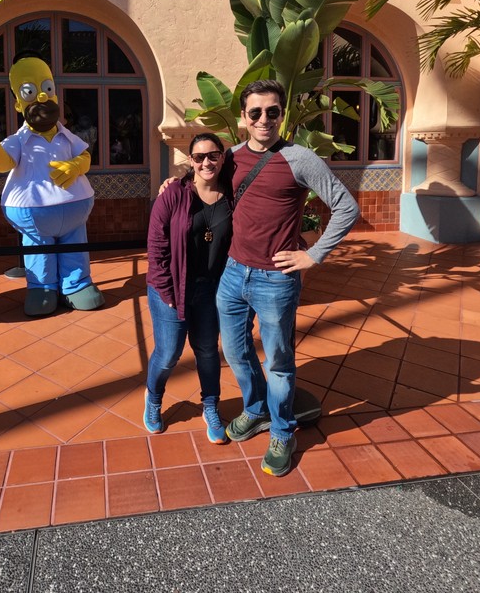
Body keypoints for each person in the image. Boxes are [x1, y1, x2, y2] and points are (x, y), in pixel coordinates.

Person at [218, 79, 359, 476]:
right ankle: (256, 410)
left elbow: (345, 207)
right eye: (256, 112)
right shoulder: (230, 157)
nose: (265, 119)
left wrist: (313, 255)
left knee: (279, 362)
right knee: (236, 351)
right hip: (233, 272)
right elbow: (201, 187)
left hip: (275, 280)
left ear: (282, 115)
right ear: (243, 118)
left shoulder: (300, 159)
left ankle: (283, 430)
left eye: (273, 112)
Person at [0, 52, 105, 317]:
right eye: (30, 91)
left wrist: (76, 166)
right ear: (19, 103)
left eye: (47, 89)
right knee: (38, 247)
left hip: (75, 208)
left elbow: (86, 155)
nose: (42, 97)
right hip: (34, 212)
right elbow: (3, 163)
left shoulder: (66, 135)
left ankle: (76, 286)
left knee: (75, 246)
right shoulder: (19, 140)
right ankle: (42, 288)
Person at [144, 133, 233, 443]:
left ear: (222, 157)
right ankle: (154, 399)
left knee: (208, 351)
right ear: (191, 161)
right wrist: (167, 293)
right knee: (168, 353)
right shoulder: (174, 195)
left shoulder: (233, 194)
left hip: (211, 291)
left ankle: (211, 406)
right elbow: (156, 248)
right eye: (199, 157)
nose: (206, 162)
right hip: (171, 289)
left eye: (213, 155)